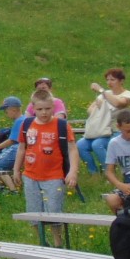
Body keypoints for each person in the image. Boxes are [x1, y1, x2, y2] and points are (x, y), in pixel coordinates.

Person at [14, 92, 77, 245]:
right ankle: (42, 242)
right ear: (33, 108)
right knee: (33, 211)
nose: (44, 113)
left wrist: (73, 171)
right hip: (30, 175)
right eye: (40, 109)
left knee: (54, 210)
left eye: (48, 109)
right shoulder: (27, 124)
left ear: (53, 107)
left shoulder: (61, 125)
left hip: (54, 175)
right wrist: (16, 169)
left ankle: (58, 242)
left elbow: (72, 149)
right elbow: (21, 148)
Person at [78, 69, 130, 175]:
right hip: (101, 130)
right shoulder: (105, 94)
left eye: (112, 80)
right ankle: (93, 172)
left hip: (117, 131)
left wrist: (101, 90)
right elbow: (90, 110)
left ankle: (109, 172)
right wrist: (99, 108)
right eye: (107, 80)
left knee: (97, 144)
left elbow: (118, 103)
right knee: (80, 145)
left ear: (121, 81)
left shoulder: (128, 94)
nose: (109, 82)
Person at [0, 97, 26, 181]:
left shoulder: (19, 121)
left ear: (13, 110)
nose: (6, 114)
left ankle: (11, 187)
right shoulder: (24, 119)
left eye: (6, 111)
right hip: (21, 150)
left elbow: (12, 140)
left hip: (17, 150)